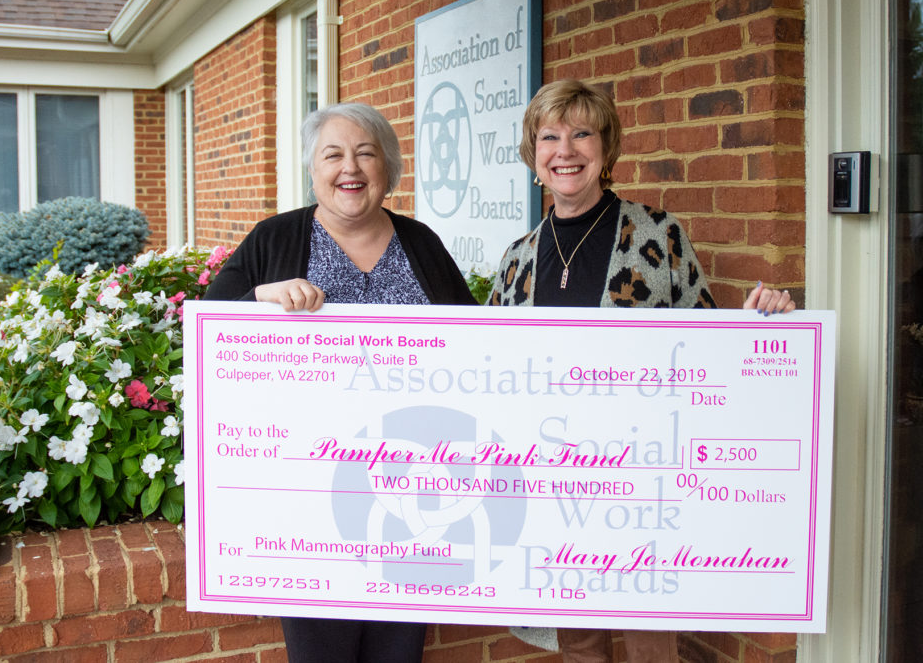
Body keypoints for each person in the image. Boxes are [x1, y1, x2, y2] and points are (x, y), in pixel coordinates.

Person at [488, 79, 795, 663]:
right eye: (550, 136)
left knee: (652, 640)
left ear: (606, 148)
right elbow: (491, 373)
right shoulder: (518, 257)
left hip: (642, 481)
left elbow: (709, 351)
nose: (566, 149)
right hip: (557, 482)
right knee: (579, 642)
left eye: (583, 133)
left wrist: (763, 325)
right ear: (534, 156)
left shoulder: (659, 235)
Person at [205, 101, 476, 663]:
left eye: (365, 153)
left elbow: (474, 343)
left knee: (399, 652)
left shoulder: (420, 242)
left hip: (411, 490)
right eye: (333, 154)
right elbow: (206, 325)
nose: (349, 168)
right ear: (313, 168)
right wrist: (262, 297)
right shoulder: (273, 239)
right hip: (308, 493)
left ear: (387, 168)